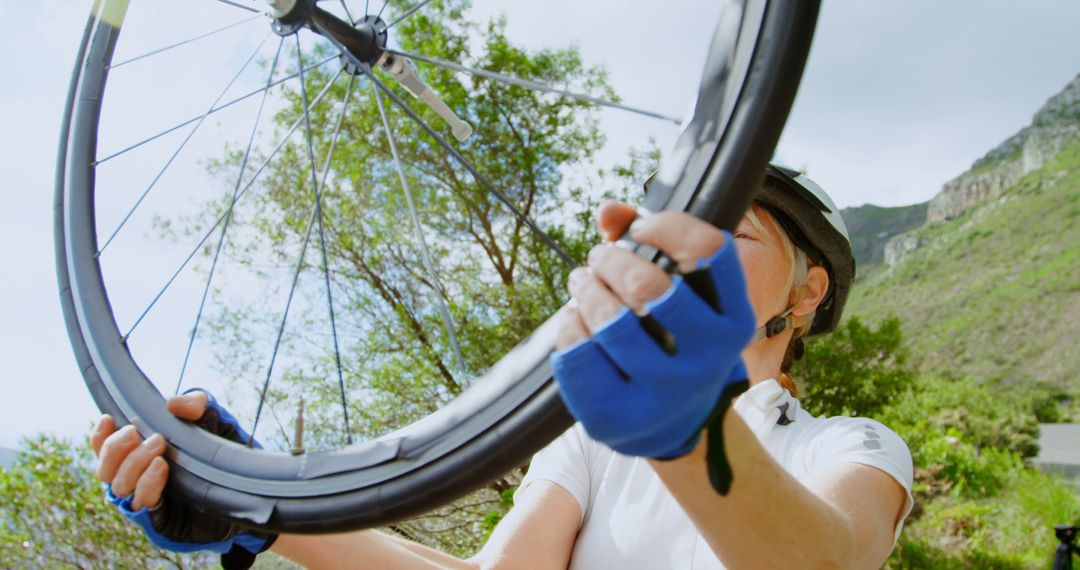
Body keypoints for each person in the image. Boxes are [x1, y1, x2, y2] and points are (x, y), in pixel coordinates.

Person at [92, 164, 913, 569]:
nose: (692, 249)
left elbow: (828, 562)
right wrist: (262, 513)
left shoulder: (850, 448)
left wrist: (689, 431)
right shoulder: (598, 442)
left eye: (736, 231)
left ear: (808, 294)